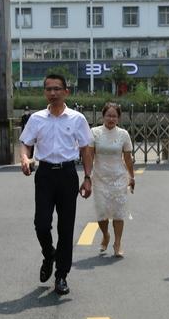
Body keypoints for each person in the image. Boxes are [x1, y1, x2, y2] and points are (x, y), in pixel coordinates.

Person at [20, 73, 93, 295]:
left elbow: (86, 149)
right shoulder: (36, 119)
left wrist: (88, 178)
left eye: (57, 89)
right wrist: (25, 157)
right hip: (44, 175)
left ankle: (61, 275)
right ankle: (49, 254)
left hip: (67, 174)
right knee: (41, 224)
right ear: (45, 92)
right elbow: (25, 143)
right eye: (49, 89)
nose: (53, 93)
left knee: (65, 227)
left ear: (65, 92)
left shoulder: (77, 119)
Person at [89, 103, 135, 257]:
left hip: (118, 177)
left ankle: (118, 243)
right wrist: (87, 177)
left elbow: (128, 158)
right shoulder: (94, 133)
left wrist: (132, 176)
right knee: (102, 212)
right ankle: (105, 235)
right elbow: (89, 156)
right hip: (100, 177)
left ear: (119, 118)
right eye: (108, 115)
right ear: (103, 116)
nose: (111, 118)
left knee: (118, 212)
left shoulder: (123, 134)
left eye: (114, 116)